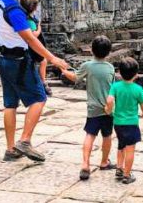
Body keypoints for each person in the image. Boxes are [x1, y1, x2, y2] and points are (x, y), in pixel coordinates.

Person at [0, 0, 69, 162]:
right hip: (19, 61)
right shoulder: (15, 12)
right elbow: (30, 39)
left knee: (10, 104)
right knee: (40, 98)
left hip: (3, 61)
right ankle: (25, 140)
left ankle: (10, 149)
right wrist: (52, 58)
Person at [59, 35, 116, 180]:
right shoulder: (110, 68)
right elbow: (113, 89)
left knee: (90, 135)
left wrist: (64, 71)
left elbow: (75, 78)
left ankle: (85, 164)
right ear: (109, 52)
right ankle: (104, 161)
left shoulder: (88, 66)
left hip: (93, 109)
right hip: (108, 109)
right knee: (107, 136)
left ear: (91, 50)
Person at [105, 57, 143, 184]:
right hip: (131, 123)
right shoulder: (138, 89)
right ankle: (127, 174)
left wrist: (109, 109)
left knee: (121, 145)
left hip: (118, 123)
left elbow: (109, 100)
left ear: (119, 72)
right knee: (130, 149)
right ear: (136, 74)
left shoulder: (115, 86)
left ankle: (119, 168)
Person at [20, 0, 52, 96]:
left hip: (28, 47)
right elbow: (33, 35)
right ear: (34, 7)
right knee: (43, 61)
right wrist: (39, 28)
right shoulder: (30, 20)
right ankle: (43, 81)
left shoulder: (25, 16)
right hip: (33, 46)